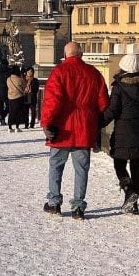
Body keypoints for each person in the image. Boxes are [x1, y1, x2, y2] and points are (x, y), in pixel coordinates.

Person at [41, 41, 109, 220]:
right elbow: (103, 103)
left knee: (56, 166)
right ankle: (78, 206)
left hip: (62, 127)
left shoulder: (59, 72)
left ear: (66, 54)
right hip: (84, 127)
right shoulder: (93, 73)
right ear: (81, 54)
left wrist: (47, 123)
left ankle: (54, 202)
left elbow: (52, 100)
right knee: (81, 169)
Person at [103, 54, 139, 215]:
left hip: (123, 132)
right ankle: (134, 202)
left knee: (119, 164)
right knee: (136, 165)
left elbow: (113, 110)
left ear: (123, 67)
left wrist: (99, 122)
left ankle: (128, 189)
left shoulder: (119, 86)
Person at [7, 65, 25, 133]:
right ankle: (17, 127)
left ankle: (10, 127)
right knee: (18, 112)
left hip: (10, 97)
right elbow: (24, 86)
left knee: (11, 112)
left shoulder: (8, 79)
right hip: (19, 97)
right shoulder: (20, 79)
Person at [0, 58, 10, 126]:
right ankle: (3, 116)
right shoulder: (9, 71)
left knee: (1, 106)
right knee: (8, 106)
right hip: (7, 90)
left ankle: (1, 118)